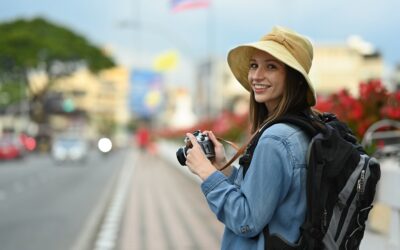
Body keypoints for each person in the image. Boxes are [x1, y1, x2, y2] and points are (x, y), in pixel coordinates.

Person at [184, 26, 319, 249]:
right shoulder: (304, 128)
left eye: (271, 67)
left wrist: (206, 172)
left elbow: (246, 220)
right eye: (254, 65)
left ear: (294, 78)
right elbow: (265, 195)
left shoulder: (276, 139)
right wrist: (222, 168)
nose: (256, 76)